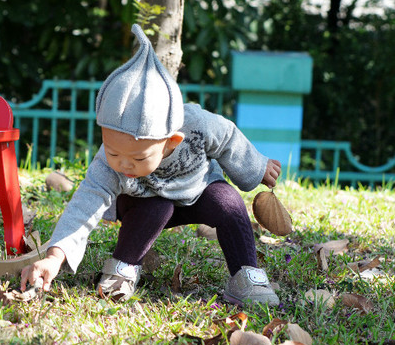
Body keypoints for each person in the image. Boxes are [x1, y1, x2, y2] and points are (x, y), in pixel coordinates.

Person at [20, 24, 281, 305]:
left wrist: (256, 166)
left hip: (194, 191)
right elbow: (85, 203)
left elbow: (229, 137)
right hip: (140, 202)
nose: (124, 164)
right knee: (157, 207)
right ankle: (123, 267)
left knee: (227, 202)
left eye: (138, 157)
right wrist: (54, 257)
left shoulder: (198, 125)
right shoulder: (111, 163)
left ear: (171, 141)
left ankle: (246, 274)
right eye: (113, 150)